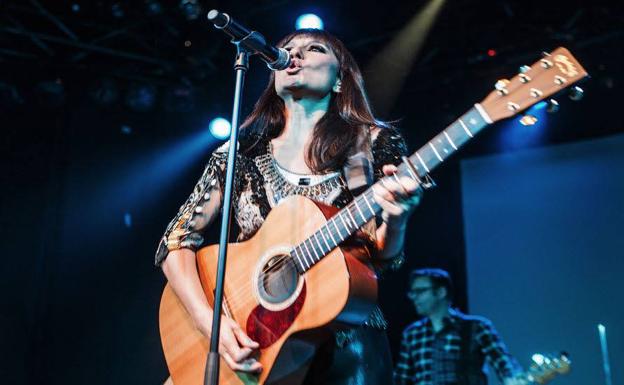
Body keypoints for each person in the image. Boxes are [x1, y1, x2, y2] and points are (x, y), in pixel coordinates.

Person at [155, 28, 423, 384]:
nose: (294, 55)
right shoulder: (240, 154)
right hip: (254, 343)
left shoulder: (370, 145)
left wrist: (398, 218)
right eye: (286, 49)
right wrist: (212, 324)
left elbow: (380, 257)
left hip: (344, 340)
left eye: (314, 49)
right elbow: (175, 241)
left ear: (340, 78)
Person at [394, 268, 528, 385]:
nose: (414, 297)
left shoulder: (476, 327)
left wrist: (512, 377)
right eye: (412, 292)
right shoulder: (412, 333)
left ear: (441, 292)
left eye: (420, 291)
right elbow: (401, 378)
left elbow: (502, 361)